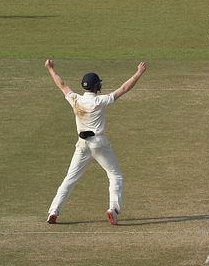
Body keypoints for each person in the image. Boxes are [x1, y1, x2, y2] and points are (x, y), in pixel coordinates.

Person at [44, 59, 147, 225]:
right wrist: (139, 73)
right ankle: (113, 208)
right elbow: (123, 89)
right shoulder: (99, 101)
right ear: (96, 87)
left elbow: (61, 84)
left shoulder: (75, 99)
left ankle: (53, 211)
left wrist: (50, 69)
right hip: (99, 143)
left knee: (70, 179)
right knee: (115, 176)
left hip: (82, 144)